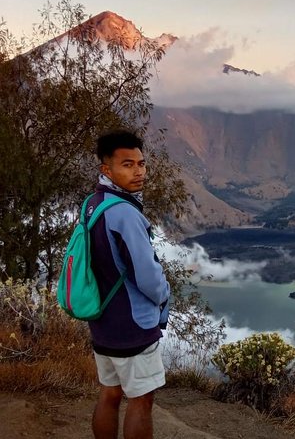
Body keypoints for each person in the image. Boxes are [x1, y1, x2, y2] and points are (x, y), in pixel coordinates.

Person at [87, 130, 170, 439]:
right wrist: (164, 296)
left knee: (109, 393)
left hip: (102, 321)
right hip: (132, 324)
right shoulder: (125, 213)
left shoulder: (93, 204)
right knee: (141, 399)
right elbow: (147, 276)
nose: (138, 171)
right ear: (106, 170)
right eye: (127, 164)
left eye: (141, 163)